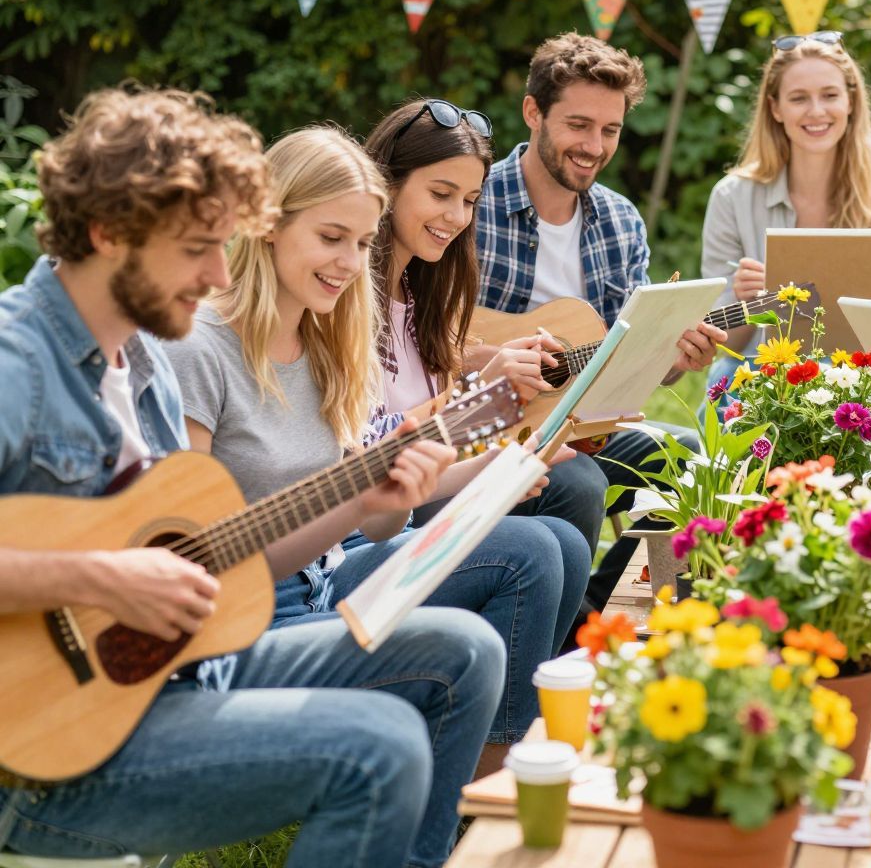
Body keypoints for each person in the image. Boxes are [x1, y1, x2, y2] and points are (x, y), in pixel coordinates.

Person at [0, 88, 500, 868]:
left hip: (185, 671)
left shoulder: (142, 365)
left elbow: (218, 567)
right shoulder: (16, 366)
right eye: (197, 247)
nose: (217, 272)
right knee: (380, 746)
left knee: (462, 649)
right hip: (48, 756)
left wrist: (362, 500)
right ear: (108, 233)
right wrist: (104, 575)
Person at [163, 125, 584, 782]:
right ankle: (481, 799)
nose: (349, 263)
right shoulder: (198, 352)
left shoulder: (328, 342)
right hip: (248, 617)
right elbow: (183, 546)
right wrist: (373, 503)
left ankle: (489, 790)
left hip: (326, 576)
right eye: (332, 239)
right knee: (520, 572)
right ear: (268, 224)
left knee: (539, 546)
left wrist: (431, 483)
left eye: (362, 244)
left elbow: (375, 518)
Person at [474, 33, 725, 614]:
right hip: (485, 423)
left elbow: (623, 364)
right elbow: (428, 334)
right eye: (578, 125)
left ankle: (606, 617)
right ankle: (561, 635)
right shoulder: (474, 202)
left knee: (702, 470)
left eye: (609, 131)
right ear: (533, 112)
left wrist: (671, 359)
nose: (593, 146)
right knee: (581, 483)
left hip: (587, 427)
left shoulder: (619, 221)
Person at [362, 98, 608, 553]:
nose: (458, 217)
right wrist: (480, 397)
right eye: (441, 194)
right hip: (377, 517)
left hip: (434, 479)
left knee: (570, 517)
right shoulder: (348, 300)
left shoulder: (424, 298)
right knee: (566, 505)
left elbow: (450, 394)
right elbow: (371, 448)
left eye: (470, 201)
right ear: (387, 185)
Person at [701, 29, 871, 365]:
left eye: (829, 95)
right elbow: (723, 344)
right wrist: (748, 302)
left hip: (860, 382)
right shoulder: (732, 196)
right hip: (756, 378)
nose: (816, 110)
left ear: (850, 101)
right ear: (775, 108)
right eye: (799, 98)